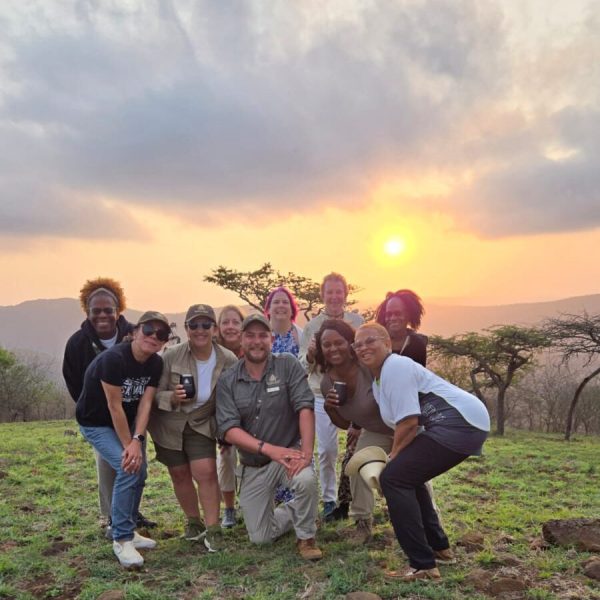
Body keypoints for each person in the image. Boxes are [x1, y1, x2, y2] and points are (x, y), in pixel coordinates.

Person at [353, 323, 490, 582]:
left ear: (386, 344)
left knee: (394, 478)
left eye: (370, 340)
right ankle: (439, 549)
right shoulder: (379, 381)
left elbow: (408, 422)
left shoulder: (396, 366)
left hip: (459, 423)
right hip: (463, 424)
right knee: (407, 477)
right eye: (357, 344)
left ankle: (422, 565)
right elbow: (403, 425)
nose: (363, 347)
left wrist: (392, 459)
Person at [216, 313, 322, 560]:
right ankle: (297, 511)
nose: (257, 341)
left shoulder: (287, 364)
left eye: (262, 335)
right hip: (253, 464)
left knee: (305, 479)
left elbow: (304, 407)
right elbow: (229, 430)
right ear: (241, 340)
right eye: (250, 336)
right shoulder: (229, 379)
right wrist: (268, 449)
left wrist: (306, 453)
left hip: (288, 455)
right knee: (260, 538)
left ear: (271, 339)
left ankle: (306, 537)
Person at [62, 277, 156, 536]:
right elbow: (73, 380)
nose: (102, 315)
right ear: (87, 311)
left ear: (118, 310)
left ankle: (128, 516)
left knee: (138, 466)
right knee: (112, 466)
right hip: (100, 419)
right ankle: (112, 520)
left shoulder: (133, 336)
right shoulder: (78, 343)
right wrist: (94, 407)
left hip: (131, 415)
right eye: (96, 311)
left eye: (108, 310)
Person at [76, 311, 170, 568]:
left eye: (161, 334)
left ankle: (125, 528)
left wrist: (137, 440)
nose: (154, 337)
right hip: (95, 421)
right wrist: (130, 446)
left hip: (128, 421)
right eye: (149, 330)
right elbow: (114, 406)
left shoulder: (155, 363)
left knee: (138, 469)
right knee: (127, 466)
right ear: (135, 331)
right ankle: (121, 539)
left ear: (165, 342)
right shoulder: (114, 359)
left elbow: (145, 403)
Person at [148, 304, 237, 550]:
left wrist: (226, 431)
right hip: (169, 423)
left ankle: (213, 528)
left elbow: (231, 399)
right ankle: (193, 522)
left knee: (206, 471)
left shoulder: (227, 359)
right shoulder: (171, 355)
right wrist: (172, 398)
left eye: (206, 325)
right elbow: (153, 395)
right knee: (179, 474)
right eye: (194, 325)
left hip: (201, 422)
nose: (200, 330)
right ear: (186, 329)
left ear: (215, 329)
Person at [315, 319, 394, 542]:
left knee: (411, 473)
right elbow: (346, 423)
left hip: (400, 425)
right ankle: (363, 523)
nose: (333, 349)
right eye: (326, 345)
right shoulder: (327, 381)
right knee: (358, 465)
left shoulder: (367, 367)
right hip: (374, 430)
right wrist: (330, 409)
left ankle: (429, 522)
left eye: (338, 342)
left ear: (350, 344)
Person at [299, 272, 364, 518]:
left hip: (356, 393)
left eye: (339, 292)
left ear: (346, 294)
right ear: (322, 295)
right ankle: (329, 499)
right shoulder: (312, 327)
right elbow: (301, 365)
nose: (335, 297)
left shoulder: (357, 321)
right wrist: (310, 354)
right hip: (320, 392)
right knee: (326, 450)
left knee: (358, 448)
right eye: (330, 292)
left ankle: (356, 500)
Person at [215, 305, 245, 528]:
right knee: (226, 457)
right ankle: (229, 508)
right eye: (226, 322)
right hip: (222, 417)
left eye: (236, 322)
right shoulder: (212, 352)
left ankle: (258, 500)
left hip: (251, 414)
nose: (231, 327)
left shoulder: (251, 348)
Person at [375, 289, 427, 366]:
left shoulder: (417, 345)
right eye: (389, 314)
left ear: (408, 315)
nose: (393, 318)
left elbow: (419, 376)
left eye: (398, 313)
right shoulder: (377, 343)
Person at [264, 286, 302, 357]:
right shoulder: (260, 337)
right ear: (268, 309)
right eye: (276, 302)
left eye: (285, 302)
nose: (281, 305)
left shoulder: (302, 337)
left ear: (292, 310)